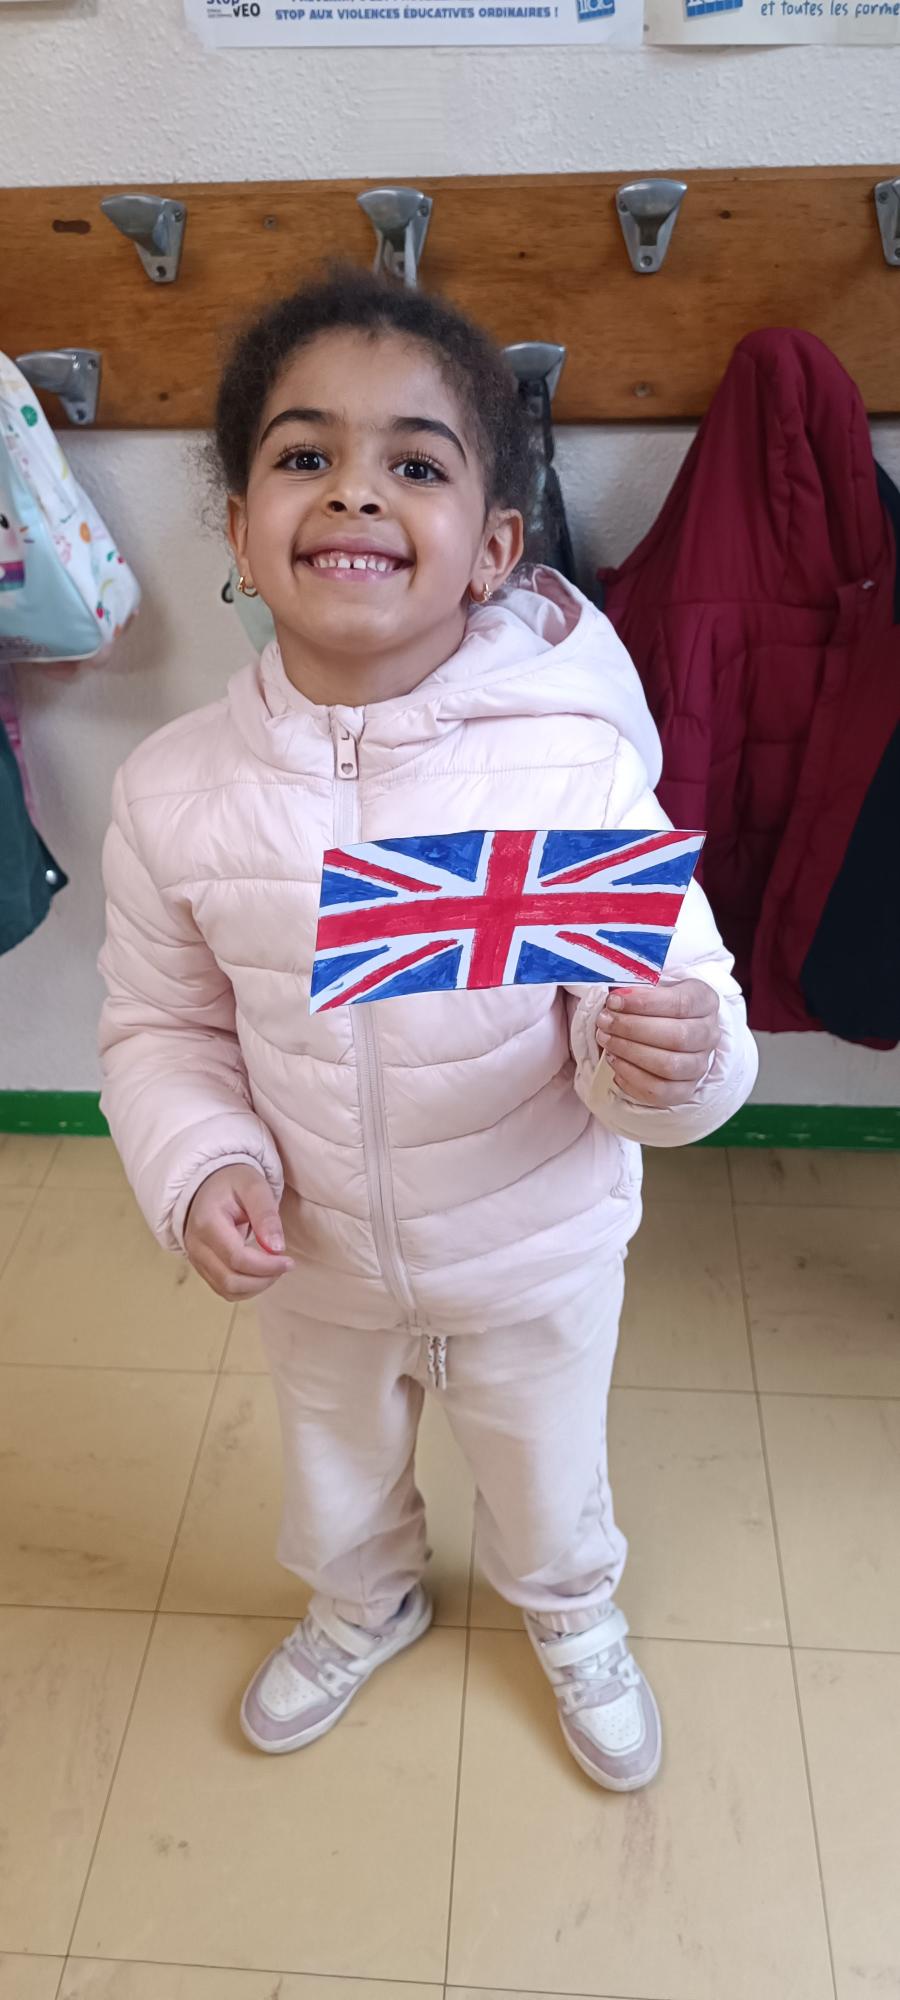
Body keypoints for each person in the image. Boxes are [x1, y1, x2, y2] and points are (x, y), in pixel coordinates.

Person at [99, 269, 757, 1793]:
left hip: (536, 1251)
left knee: (548, 1472)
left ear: (494, 550)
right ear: (241, 530)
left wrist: (678, 1063)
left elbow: (681, 1009)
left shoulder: (570, 769)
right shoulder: (173, 793)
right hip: (317, 1259)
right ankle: (364, 1601)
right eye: (303, 454)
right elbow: (161, 1027)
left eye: (415, 462)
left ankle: (572, 1611)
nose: (354, 491)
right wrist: (200, 1167)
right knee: (333, 1473)